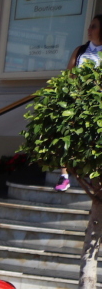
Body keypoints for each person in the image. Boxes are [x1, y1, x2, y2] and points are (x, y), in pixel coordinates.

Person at [56, 14, 101, 190]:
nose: (89, 30)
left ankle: (94, 175)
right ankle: (63, 175)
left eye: (94, 26)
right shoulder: (81, 50)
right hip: (77, 99)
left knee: (95, 140)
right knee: (66, 134)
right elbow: (69, 74)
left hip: (98, 104)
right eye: (90, 26)